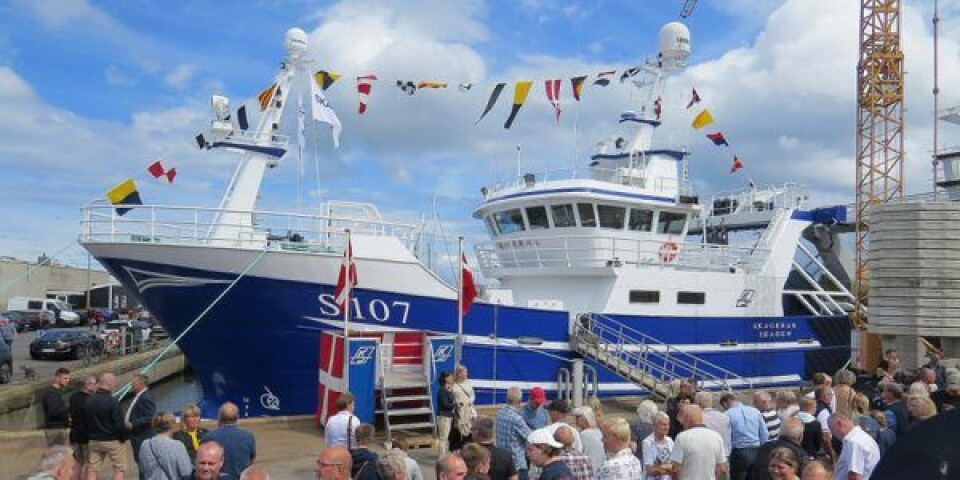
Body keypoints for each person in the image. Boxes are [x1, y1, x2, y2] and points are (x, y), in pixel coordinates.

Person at [85, 372, 127, 480]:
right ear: (109, 383)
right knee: (119, 469)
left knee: (92, 469)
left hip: (94, 439)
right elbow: (119, 424)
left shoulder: (89, 400)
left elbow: (86, 421)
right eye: (114, 383)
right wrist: (122, 438)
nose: (115, 385)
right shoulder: (113, 401)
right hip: (111, 440)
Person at [201, 402, 256, 479]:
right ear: (237, 417)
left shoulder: (208, 437)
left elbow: (202, 464)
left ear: (219, 417)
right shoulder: (248, 436)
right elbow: (251, 460)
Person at [670, 405, 727, 480]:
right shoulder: (717, 437)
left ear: (687, 419)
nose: (682, 424)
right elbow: (721, 467)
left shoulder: (682, 437)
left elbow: (676, 469)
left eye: (682, 421)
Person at [725, 393, 768, 480]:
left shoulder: (727, 414)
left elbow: (728, 437)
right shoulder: (755, 411)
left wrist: (727, 455)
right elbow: (764, 434)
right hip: (756, 449)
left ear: (727, 403)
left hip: (739, 451)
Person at [138, 411, 193, 480]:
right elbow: (186, 472)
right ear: (172, 424)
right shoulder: (177, 445)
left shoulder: (145, 445)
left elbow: (142, 470)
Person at [495, 387, 532, 480]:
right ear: (520, 401)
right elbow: (531, 437)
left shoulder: (499, 414)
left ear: (507, 399)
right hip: (516, 463)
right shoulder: (517, 419)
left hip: (501, 461)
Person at [828, 413, 880, 480]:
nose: (832, 433)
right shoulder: (862, 437)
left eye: (831, 428)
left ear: (839, 424)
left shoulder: (853, 442)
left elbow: (855, 476)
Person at [126, 373, 157, 478]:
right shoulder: (140, 396)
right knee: (140, 463)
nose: (131, 385)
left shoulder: (146, 397)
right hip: (137, 436)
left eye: (133, 383)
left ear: (140, 384)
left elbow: (150, 416)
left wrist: (133, 424)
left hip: (143, 436)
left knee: (143, 463)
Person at [471, 416, 517, 480]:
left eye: (472, 429)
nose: (470, 432)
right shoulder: (506, 455)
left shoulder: (468, 455)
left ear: (476, 431)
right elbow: (513, 478)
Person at [68, 375, 97, 477]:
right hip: (87, 436)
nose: (96, 386)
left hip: (75, 435)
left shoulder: (73, 398)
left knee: (78, 463)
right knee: (89, 464)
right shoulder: (90, 400)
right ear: (88, 385)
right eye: (94, 384)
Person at [571, 406, 605, 474]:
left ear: (584, 419)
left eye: (577, 417)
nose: (575, 420)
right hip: (600, 469)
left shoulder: (584, 434)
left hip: (589, 471)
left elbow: (576, 453)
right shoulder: (599, 431)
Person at [42, 368, 72, 446]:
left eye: (68, 378)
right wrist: (68, 410)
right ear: (57, 378)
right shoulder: (52, 394)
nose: (68, 380)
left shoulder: (57, 392)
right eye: (65, 378)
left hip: (59, 428)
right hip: (55, 430)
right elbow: (53, 411)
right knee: (56, 455)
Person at [452, 365, 478, 451]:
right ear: (459, 374)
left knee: (469, 430)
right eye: (465, 372)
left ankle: (468, 449)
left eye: (466, 372)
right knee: (458, 430)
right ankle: (458, 449)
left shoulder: (468, 383)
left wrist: (470, 401)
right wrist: (458, 404)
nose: (467, 374)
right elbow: (452, 398)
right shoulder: (453, 385)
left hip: (469, 411)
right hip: (459, 412)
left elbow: (473, 395)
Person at [641, 412, 673, 480]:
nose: (666, 427)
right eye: (663, 425)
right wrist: (670, 468)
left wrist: (660, 468)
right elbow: (650, 470)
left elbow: (675, 465)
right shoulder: (647, 442)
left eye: (668, 424)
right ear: (654, 426)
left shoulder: (670, 441)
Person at [697, 392, 731, 458]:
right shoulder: (724, 416)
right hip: (724, 453)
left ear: (699, 403)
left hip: (706, 455)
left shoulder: (698, 417)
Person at [437, 371, 456, 454]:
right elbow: (445, 404)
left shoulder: (448, 389)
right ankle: (442, 456)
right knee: (443, 438)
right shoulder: (442, 390)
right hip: (444, 417)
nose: (452, 378)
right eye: (449, 376)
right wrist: (455, 405)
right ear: (445, 378)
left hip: (449, 416)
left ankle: (445, 455)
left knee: (446, 438)